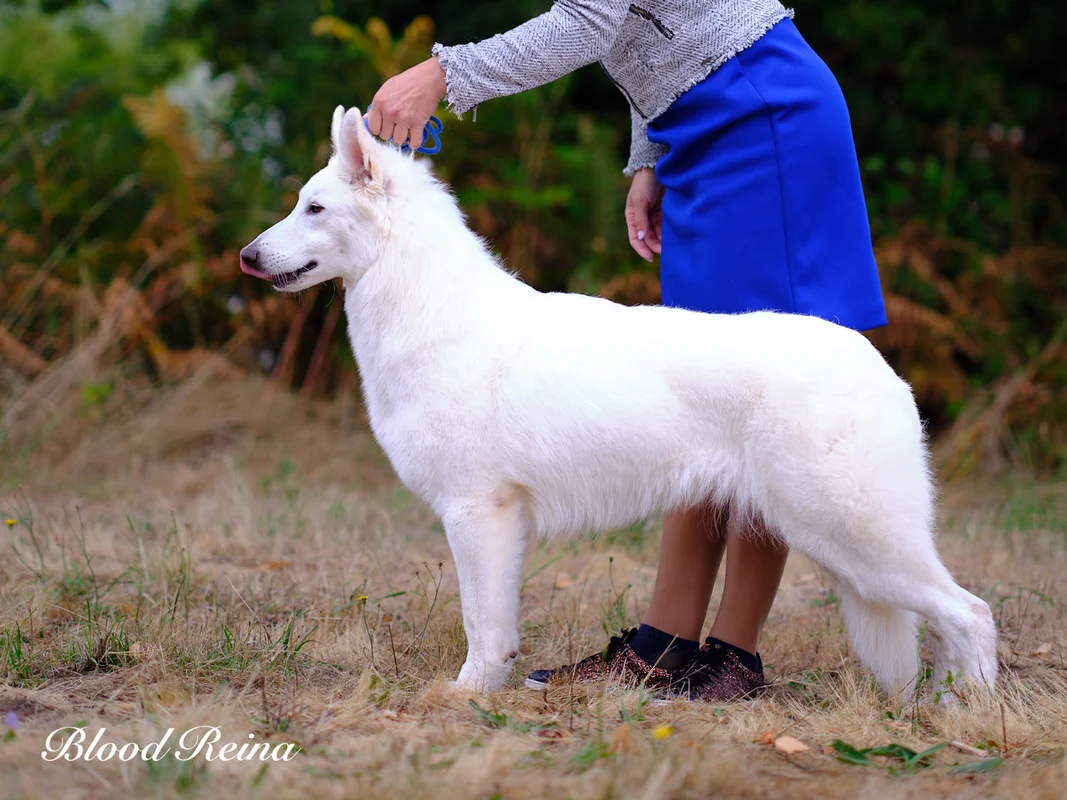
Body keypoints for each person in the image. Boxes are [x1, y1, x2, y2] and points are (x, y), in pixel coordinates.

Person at [364, 0, 888, 701]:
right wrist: (650, 156)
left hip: (761, 115)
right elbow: (635, 25)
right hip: (697, 128)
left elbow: (589, 19)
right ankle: (663, 647)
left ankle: (733, 656)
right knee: (689, 394)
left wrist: (443, 74)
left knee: (754, 390)